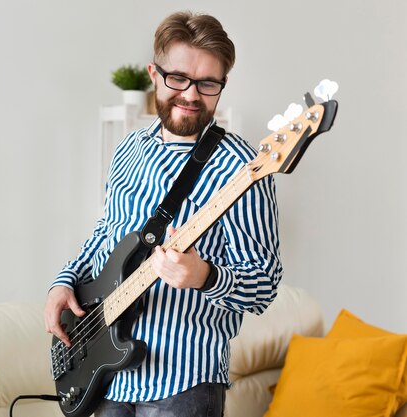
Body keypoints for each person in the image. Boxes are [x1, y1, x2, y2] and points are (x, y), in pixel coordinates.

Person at [44, 11, 282, 417]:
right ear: (155, 74)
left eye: (207, 83)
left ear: (222, 85)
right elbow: (107, 233)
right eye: (178, 78)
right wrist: (63, 281)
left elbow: (264, 284)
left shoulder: (243, 168)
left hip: (185, 380)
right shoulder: (129, 149)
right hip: (106, 373)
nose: (191, 95)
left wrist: (204, 276)